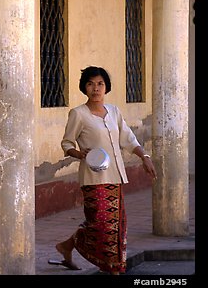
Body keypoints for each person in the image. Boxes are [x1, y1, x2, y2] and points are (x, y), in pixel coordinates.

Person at [53, 66, 157, 275]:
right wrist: (78, 153)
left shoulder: (114, 112)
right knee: (100, 224)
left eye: (100, 83)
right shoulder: (78, 114)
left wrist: (144, 156)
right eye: (90, 84)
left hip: (115, 177)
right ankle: (85, 251)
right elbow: (66, 143)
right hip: (93, 177)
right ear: (84, 87)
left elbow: (128, 138)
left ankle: (111, 267)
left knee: (116, 226)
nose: (95, 88)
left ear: (106, 87)